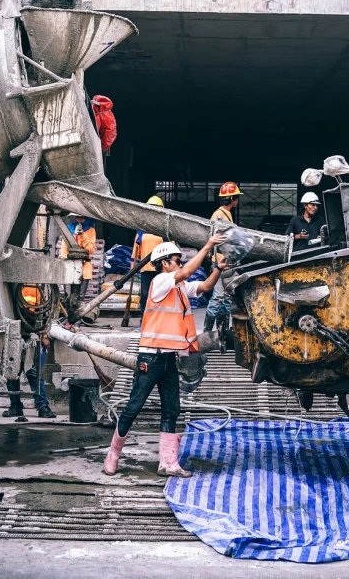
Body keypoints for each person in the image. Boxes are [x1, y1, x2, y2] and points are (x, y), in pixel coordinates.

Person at [103, 233, 228, 478]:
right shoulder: (160, 281)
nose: (180, 264)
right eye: (176, 260)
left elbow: (204, 287)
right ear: (164, 263)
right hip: (150, 359)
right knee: (133, 407)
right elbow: (184, 274)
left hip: (169, 359)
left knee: (172, 409)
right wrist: (208, 246)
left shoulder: (179, 287)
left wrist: (218, 269)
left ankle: (168, 463)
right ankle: (112, 455)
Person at [203, 182, 242, 333]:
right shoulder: (219, 215)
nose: (238, 200)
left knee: (226, 299)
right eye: (236, 197)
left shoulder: (227, 214)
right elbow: (218, 242)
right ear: (231, 198)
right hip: (221, 263)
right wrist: (222, 261)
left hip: (226, 262)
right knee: (218, 298)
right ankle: (206, 334)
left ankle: (223, 333)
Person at [3, 331, 56, 419]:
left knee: (34, 373)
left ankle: (43, 406)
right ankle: (15, 406)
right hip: (14, 337)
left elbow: (44, 320)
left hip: (33, 338)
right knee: (12, 373)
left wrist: (44, 336)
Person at [131, 196, 165, 314]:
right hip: (145, 269)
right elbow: (136, 251)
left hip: (161, 269)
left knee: (160, 294)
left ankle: (158, 320)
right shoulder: (142, 229)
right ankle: (144, 320)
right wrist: (132, 267)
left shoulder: (164, 229)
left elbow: (171, 249)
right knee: (145, 295)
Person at [59, 214, 97, 299]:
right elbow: (64, 247)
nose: (79, 220)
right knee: (68, 295)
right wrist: (64, 261)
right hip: (70, 264)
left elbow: (91, 249)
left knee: (80, 297)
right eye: (77, 217)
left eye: (82, 218)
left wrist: (83, 234)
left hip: (84, 265)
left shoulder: (91, 230)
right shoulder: (69, 228)